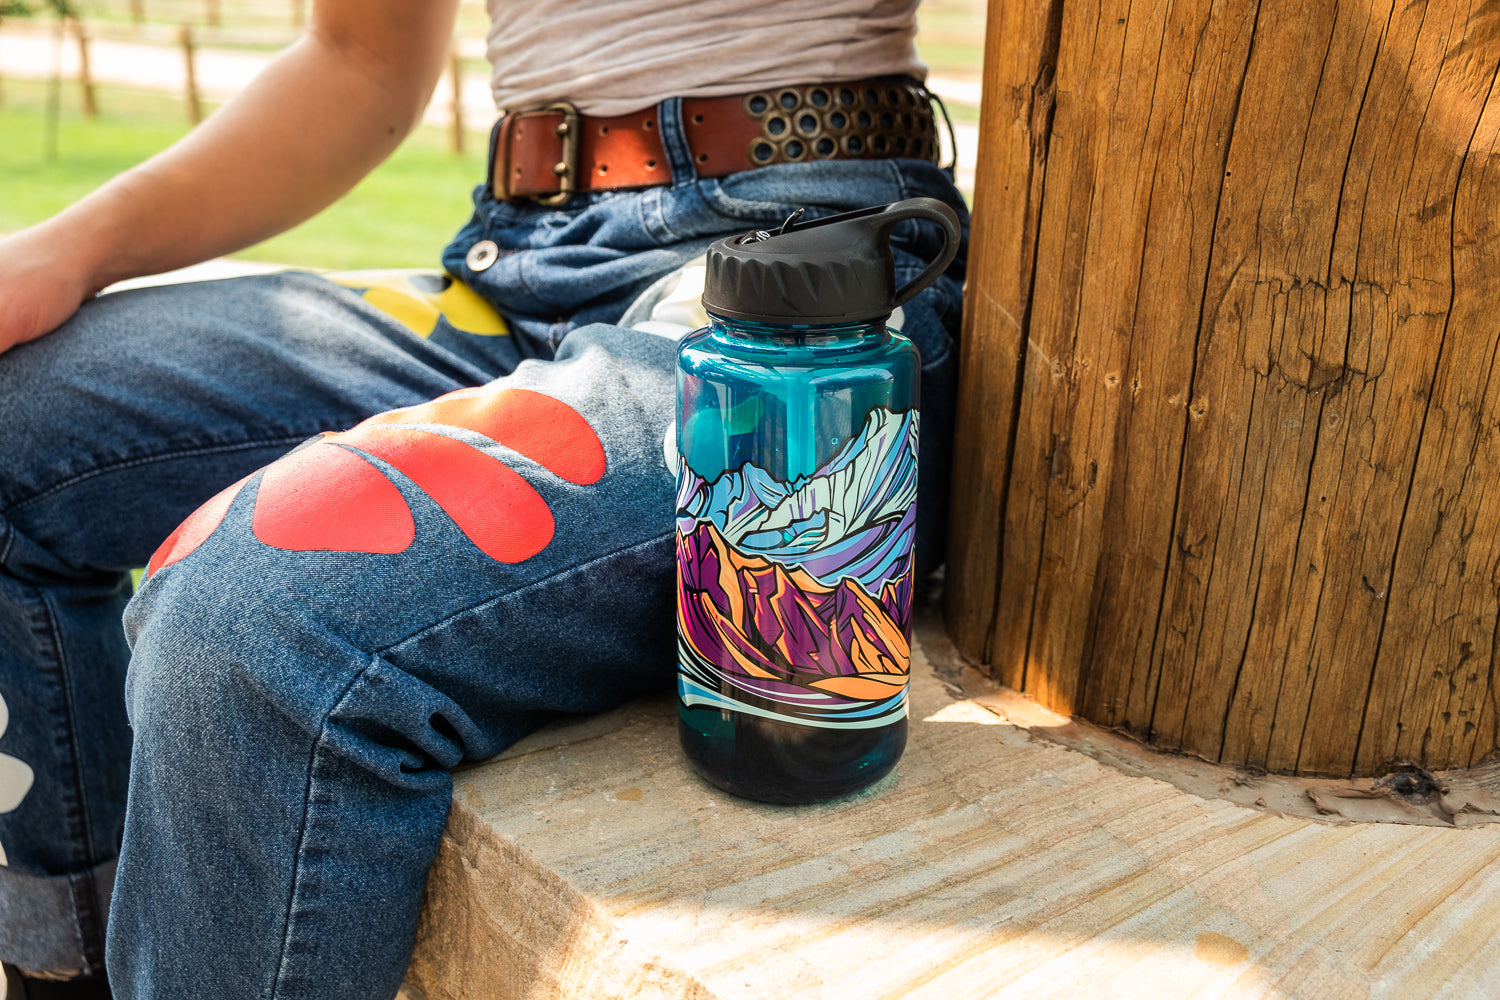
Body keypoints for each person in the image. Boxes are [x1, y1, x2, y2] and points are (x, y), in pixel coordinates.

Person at [0, 0, 969, 996]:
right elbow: (356, 60)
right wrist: (71, 248)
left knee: (251, 615)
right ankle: (68, 964)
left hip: (801, 280)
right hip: (516, 269)